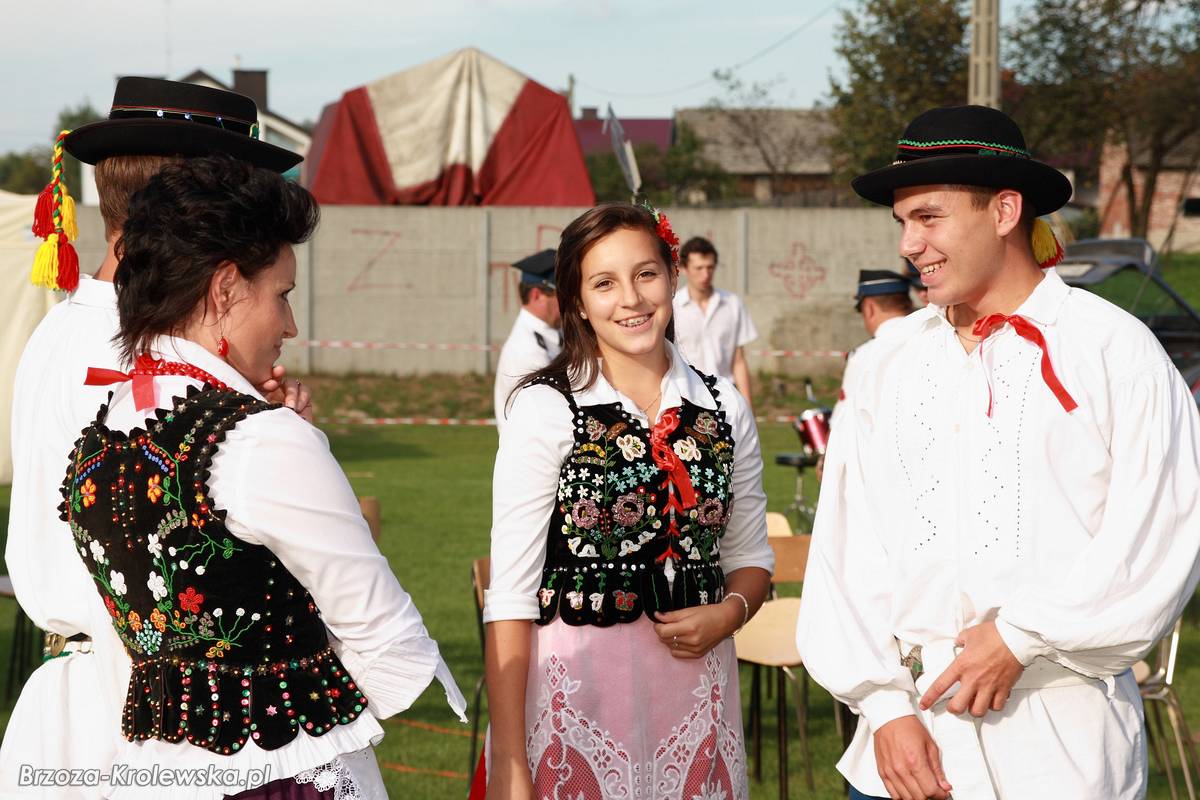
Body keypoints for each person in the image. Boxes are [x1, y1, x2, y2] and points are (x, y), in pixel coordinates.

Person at [796, 105, 1200, 800]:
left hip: (1059, 746)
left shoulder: (1114, 351)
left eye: (929, 217)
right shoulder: (885, 364)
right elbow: (846, 547)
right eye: (903, 222)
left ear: (1005, 210)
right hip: (909, 748)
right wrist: (884, 707)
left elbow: (1160, 535)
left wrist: (1021, 637)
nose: (909, 244)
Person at [54, 154, 466, 799]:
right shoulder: (258, 438)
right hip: (280, 777)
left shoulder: (103, 431)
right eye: (282, 295)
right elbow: (389, 643)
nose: (290, 325)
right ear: (225, 289)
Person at [1, 77, 314, 798]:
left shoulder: (66, 326)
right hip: (149, 713)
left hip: (97, 697)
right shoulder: (138, 352)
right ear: (186, 211)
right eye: (236, 201)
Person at [482, 203, 773, 799]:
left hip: (697, 705)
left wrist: (729, 613)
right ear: (576, 302)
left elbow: (751, 557)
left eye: (646, 274)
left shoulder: (724, 407)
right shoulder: (545, 407)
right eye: (604, 283)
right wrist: (510, 760)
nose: (632, 299)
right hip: (576, 705)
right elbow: (509, 594)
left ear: (673, 276)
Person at [671, 237, 757, 405]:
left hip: (727, 396)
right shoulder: (672, 307)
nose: (705, 274)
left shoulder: (732, 304)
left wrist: (747, 405)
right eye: (699, 268)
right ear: (684, 268)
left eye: (710, 267)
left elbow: (738, 360)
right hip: (687, 397)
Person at [829, 270, 914, 430]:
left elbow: (842, 423)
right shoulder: (936, 341)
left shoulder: (864, 356)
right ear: (909, 304)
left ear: (869, 309)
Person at [493, 249, 562, 431]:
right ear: (536, 295)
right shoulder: (528, 351)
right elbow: (557, 412)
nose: (569, 303)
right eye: (562, 296)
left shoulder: (550, 334)